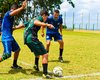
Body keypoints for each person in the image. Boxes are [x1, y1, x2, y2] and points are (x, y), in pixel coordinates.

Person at [14, 10, 54, 79]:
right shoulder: (39, 18)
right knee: (45, 54)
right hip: (31, 38)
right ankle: (45, 74)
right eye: (46, 17)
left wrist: (14, 28)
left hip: (26, 38)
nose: (46, 19)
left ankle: (36, 65)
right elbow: (36, 22)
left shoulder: (32, 18)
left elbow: (24, 24)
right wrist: (47, 25)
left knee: (37, 51)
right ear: (44, 15)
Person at [0, 0, 27, 69]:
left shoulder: (11, 18)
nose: (17, 13)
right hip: (6, 37)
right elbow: (12, 13)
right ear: (13, 9)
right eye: (16, 11)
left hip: (10, 37)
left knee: (17, 50)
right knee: (7, 54)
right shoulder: (8, 14)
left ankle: (14, 65)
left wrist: (18, 27)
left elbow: (11, 28)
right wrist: (22, 7)